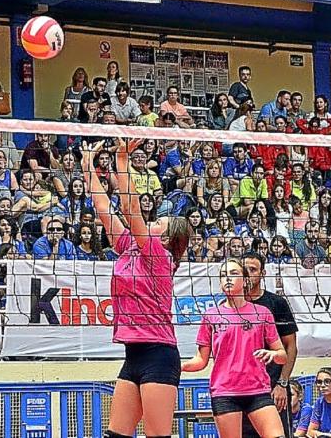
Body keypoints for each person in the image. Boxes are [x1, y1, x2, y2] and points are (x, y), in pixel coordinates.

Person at [86, 140, 191, 438]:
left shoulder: (160, 255)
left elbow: (131, 207)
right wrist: (88, 166)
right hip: (133, 354)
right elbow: (104, 206)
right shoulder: (128, 246)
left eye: (158, 222)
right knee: (116, 435)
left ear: (168, 238)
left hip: (159, 354)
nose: (151, 222)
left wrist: (122, 158)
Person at [182, 257, 287, 438]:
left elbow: (282, 355)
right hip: (225, 392)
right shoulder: (211, 316)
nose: (227, 278)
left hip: (258, 390)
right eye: (223, 275)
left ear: (245, 280)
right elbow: (201, 360)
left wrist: (273, 354)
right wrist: (178, 366)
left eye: (233, 273)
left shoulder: (262, 313)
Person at [242, 252, 298, 438]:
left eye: (253, 270)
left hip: (273, 388)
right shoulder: (230, 305)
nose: (248, 274)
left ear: (263, 273)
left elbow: (291, 346)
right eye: (245, 270)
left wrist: (282, 383)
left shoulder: (276, 304)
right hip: (241, 389)